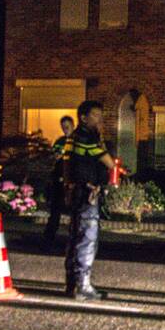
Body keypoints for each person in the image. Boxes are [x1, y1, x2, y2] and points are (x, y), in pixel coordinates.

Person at [62, 100, 120, 300]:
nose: (99, 119)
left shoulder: (72, 138)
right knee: (87, 238)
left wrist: (68, 186)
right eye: (95, 115)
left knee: (75, 237)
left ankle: (71, 283)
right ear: (83, 117)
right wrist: (112, 163)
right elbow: (108, 162)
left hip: (78, 191)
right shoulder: (87, 138)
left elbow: (66, 163)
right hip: (88, 193)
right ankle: (82, 285)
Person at [42, 115, 75, 247]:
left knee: (74, 210)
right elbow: (53, 156)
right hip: (59, 179)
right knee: (55, 209)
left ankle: (74, 237)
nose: (65, 129)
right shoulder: (60, 141)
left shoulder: (77, 141)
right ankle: (49, 237)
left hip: (73, 181)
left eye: (67, 126)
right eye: (63, 127)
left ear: (73, 125)